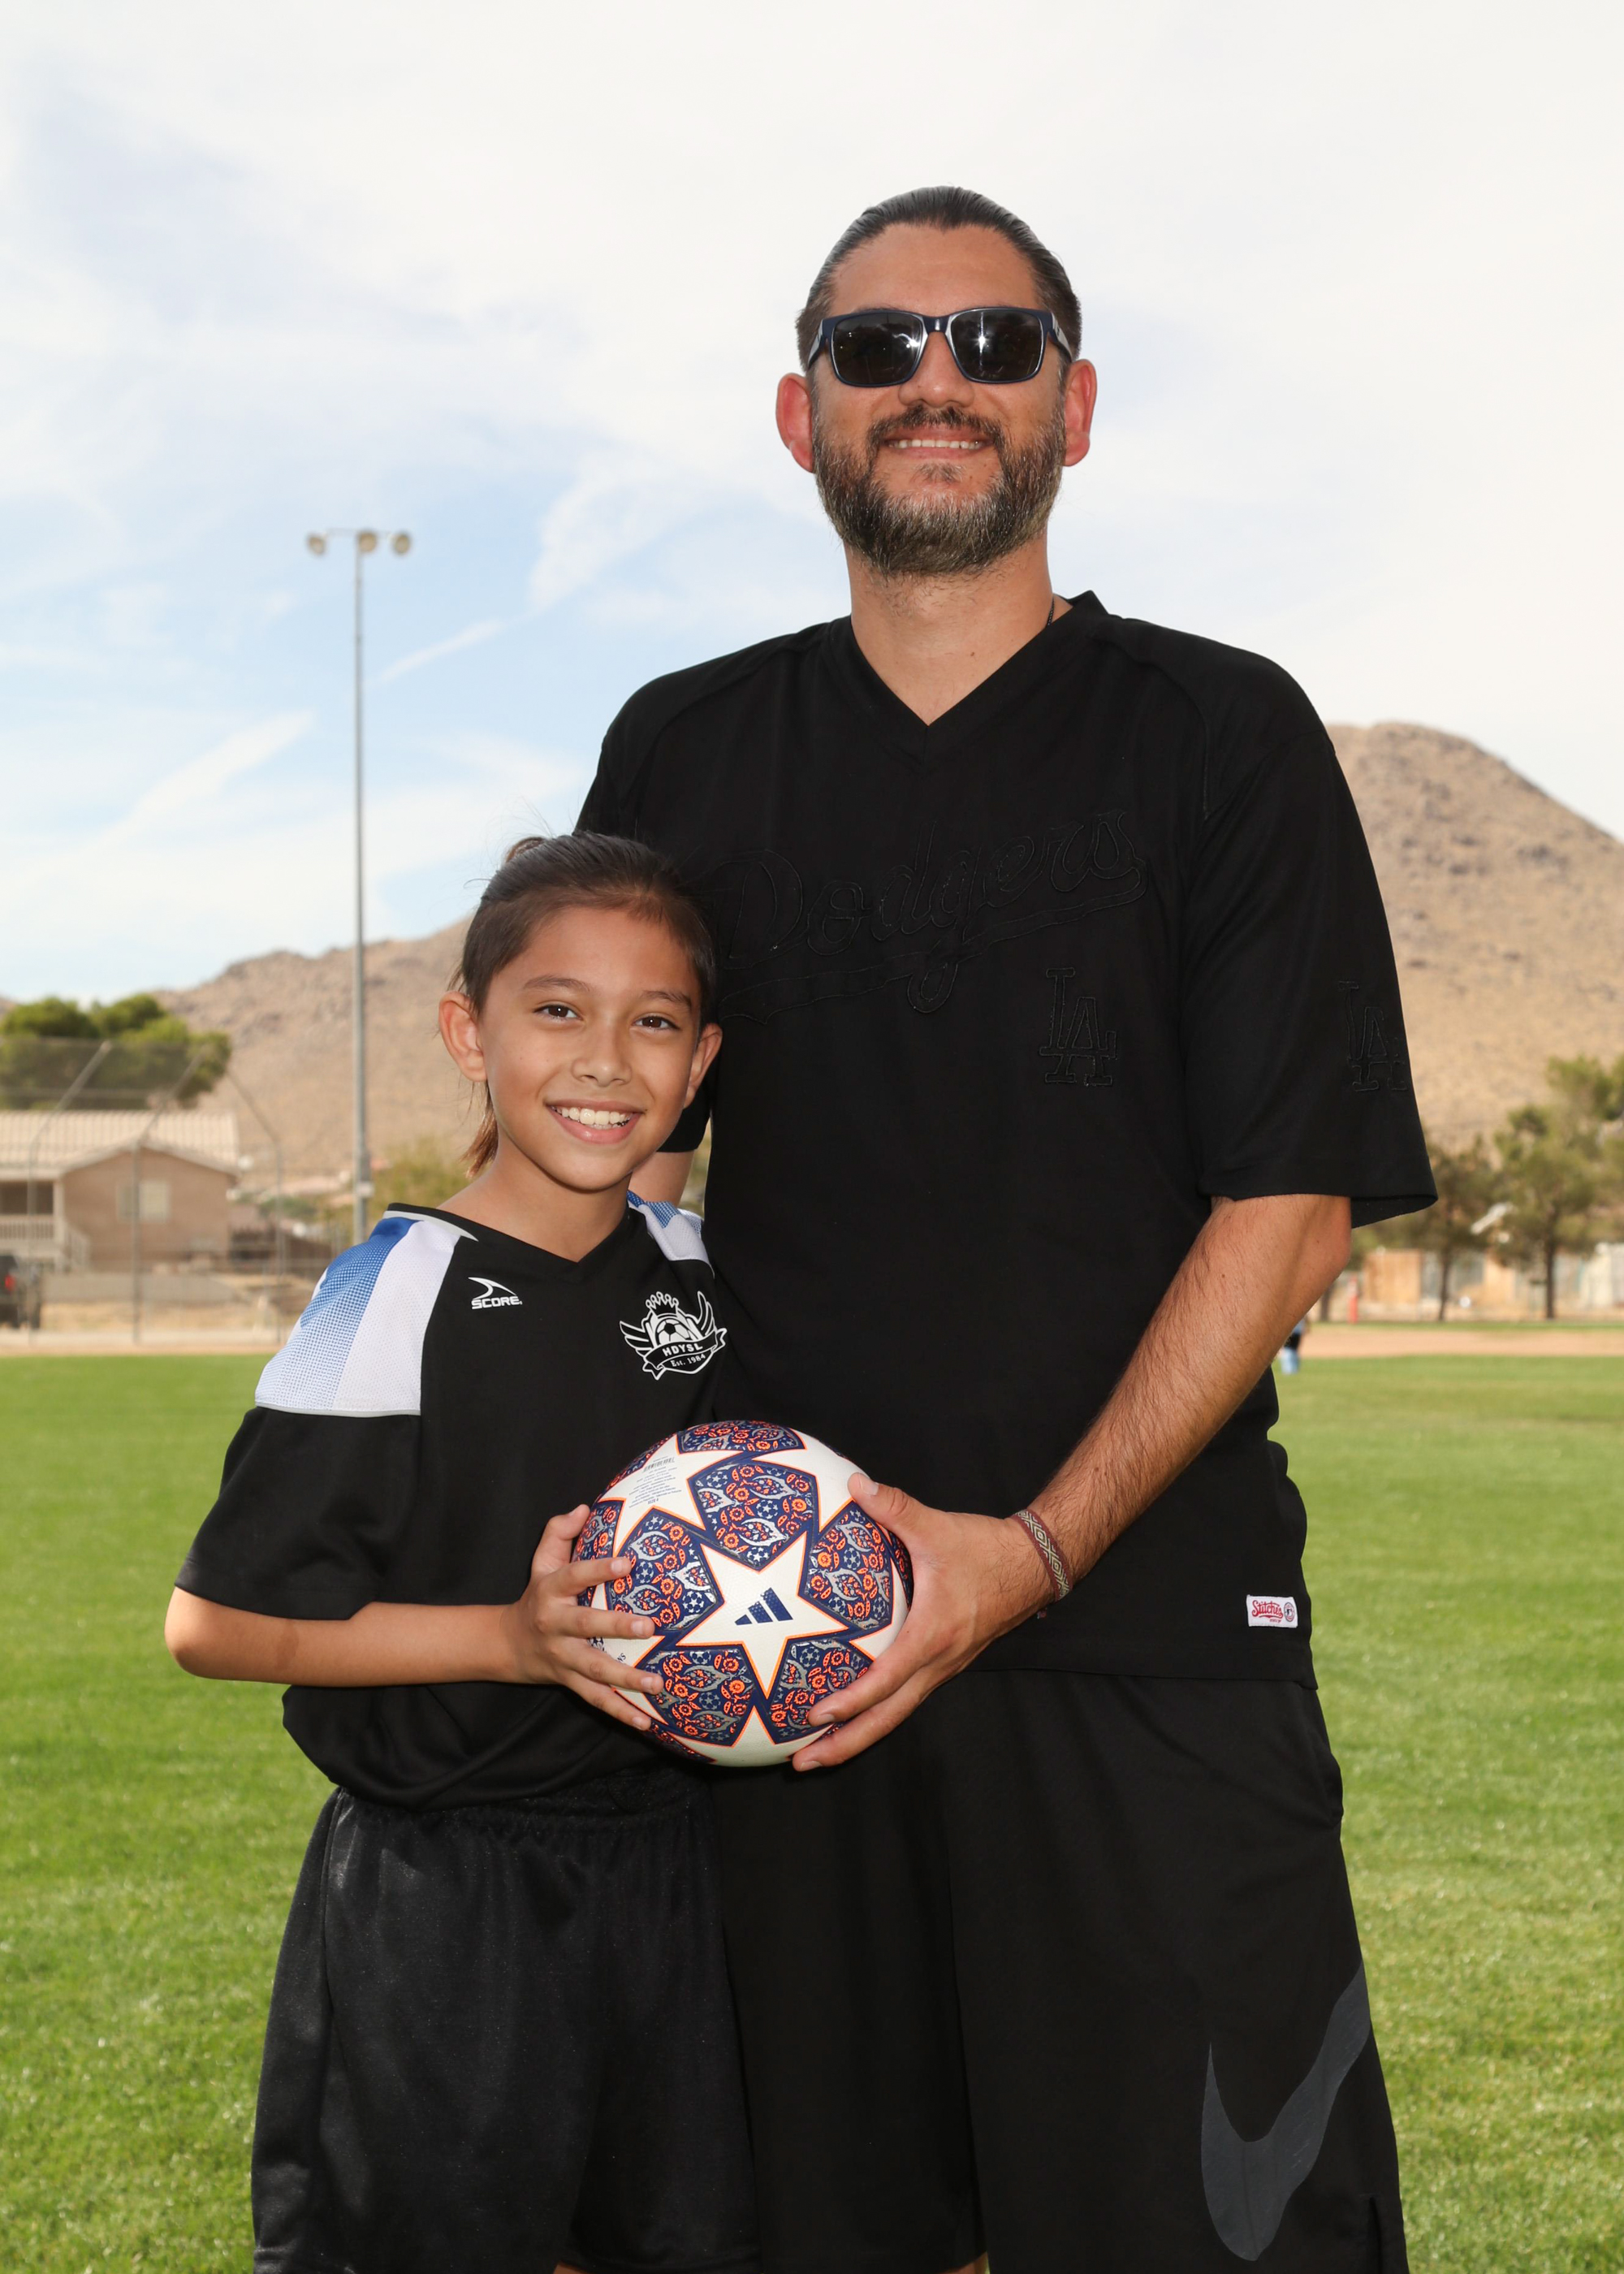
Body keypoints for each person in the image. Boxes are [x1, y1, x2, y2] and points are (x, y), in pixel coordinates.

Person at [581, 187, 1435, 2272]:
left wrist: (1031, 1551)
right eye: (877, 348)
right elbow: (620, 1178)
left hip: (1149, 1631)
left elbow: (1290, 1202)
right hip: (782, 1644)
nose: (937, 381)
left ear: (1077, 401)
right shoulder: (684, 747)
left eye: (994, 341)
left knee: (1211, 2228)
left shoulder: (1218, 734)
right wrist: (584, 1495)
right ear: (802, 413)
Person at [164, 836, 757, 2274]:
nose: (604, 1057)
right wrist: (508, 1639)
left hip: (680, 1875)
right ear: (467, 1034)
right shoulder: (391, 1293)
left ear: (699, 1063)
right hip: (447, 1899)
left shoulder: (698, 1274)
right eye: (556, 1009)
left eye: (654, 1021)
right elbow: (216, 1623)